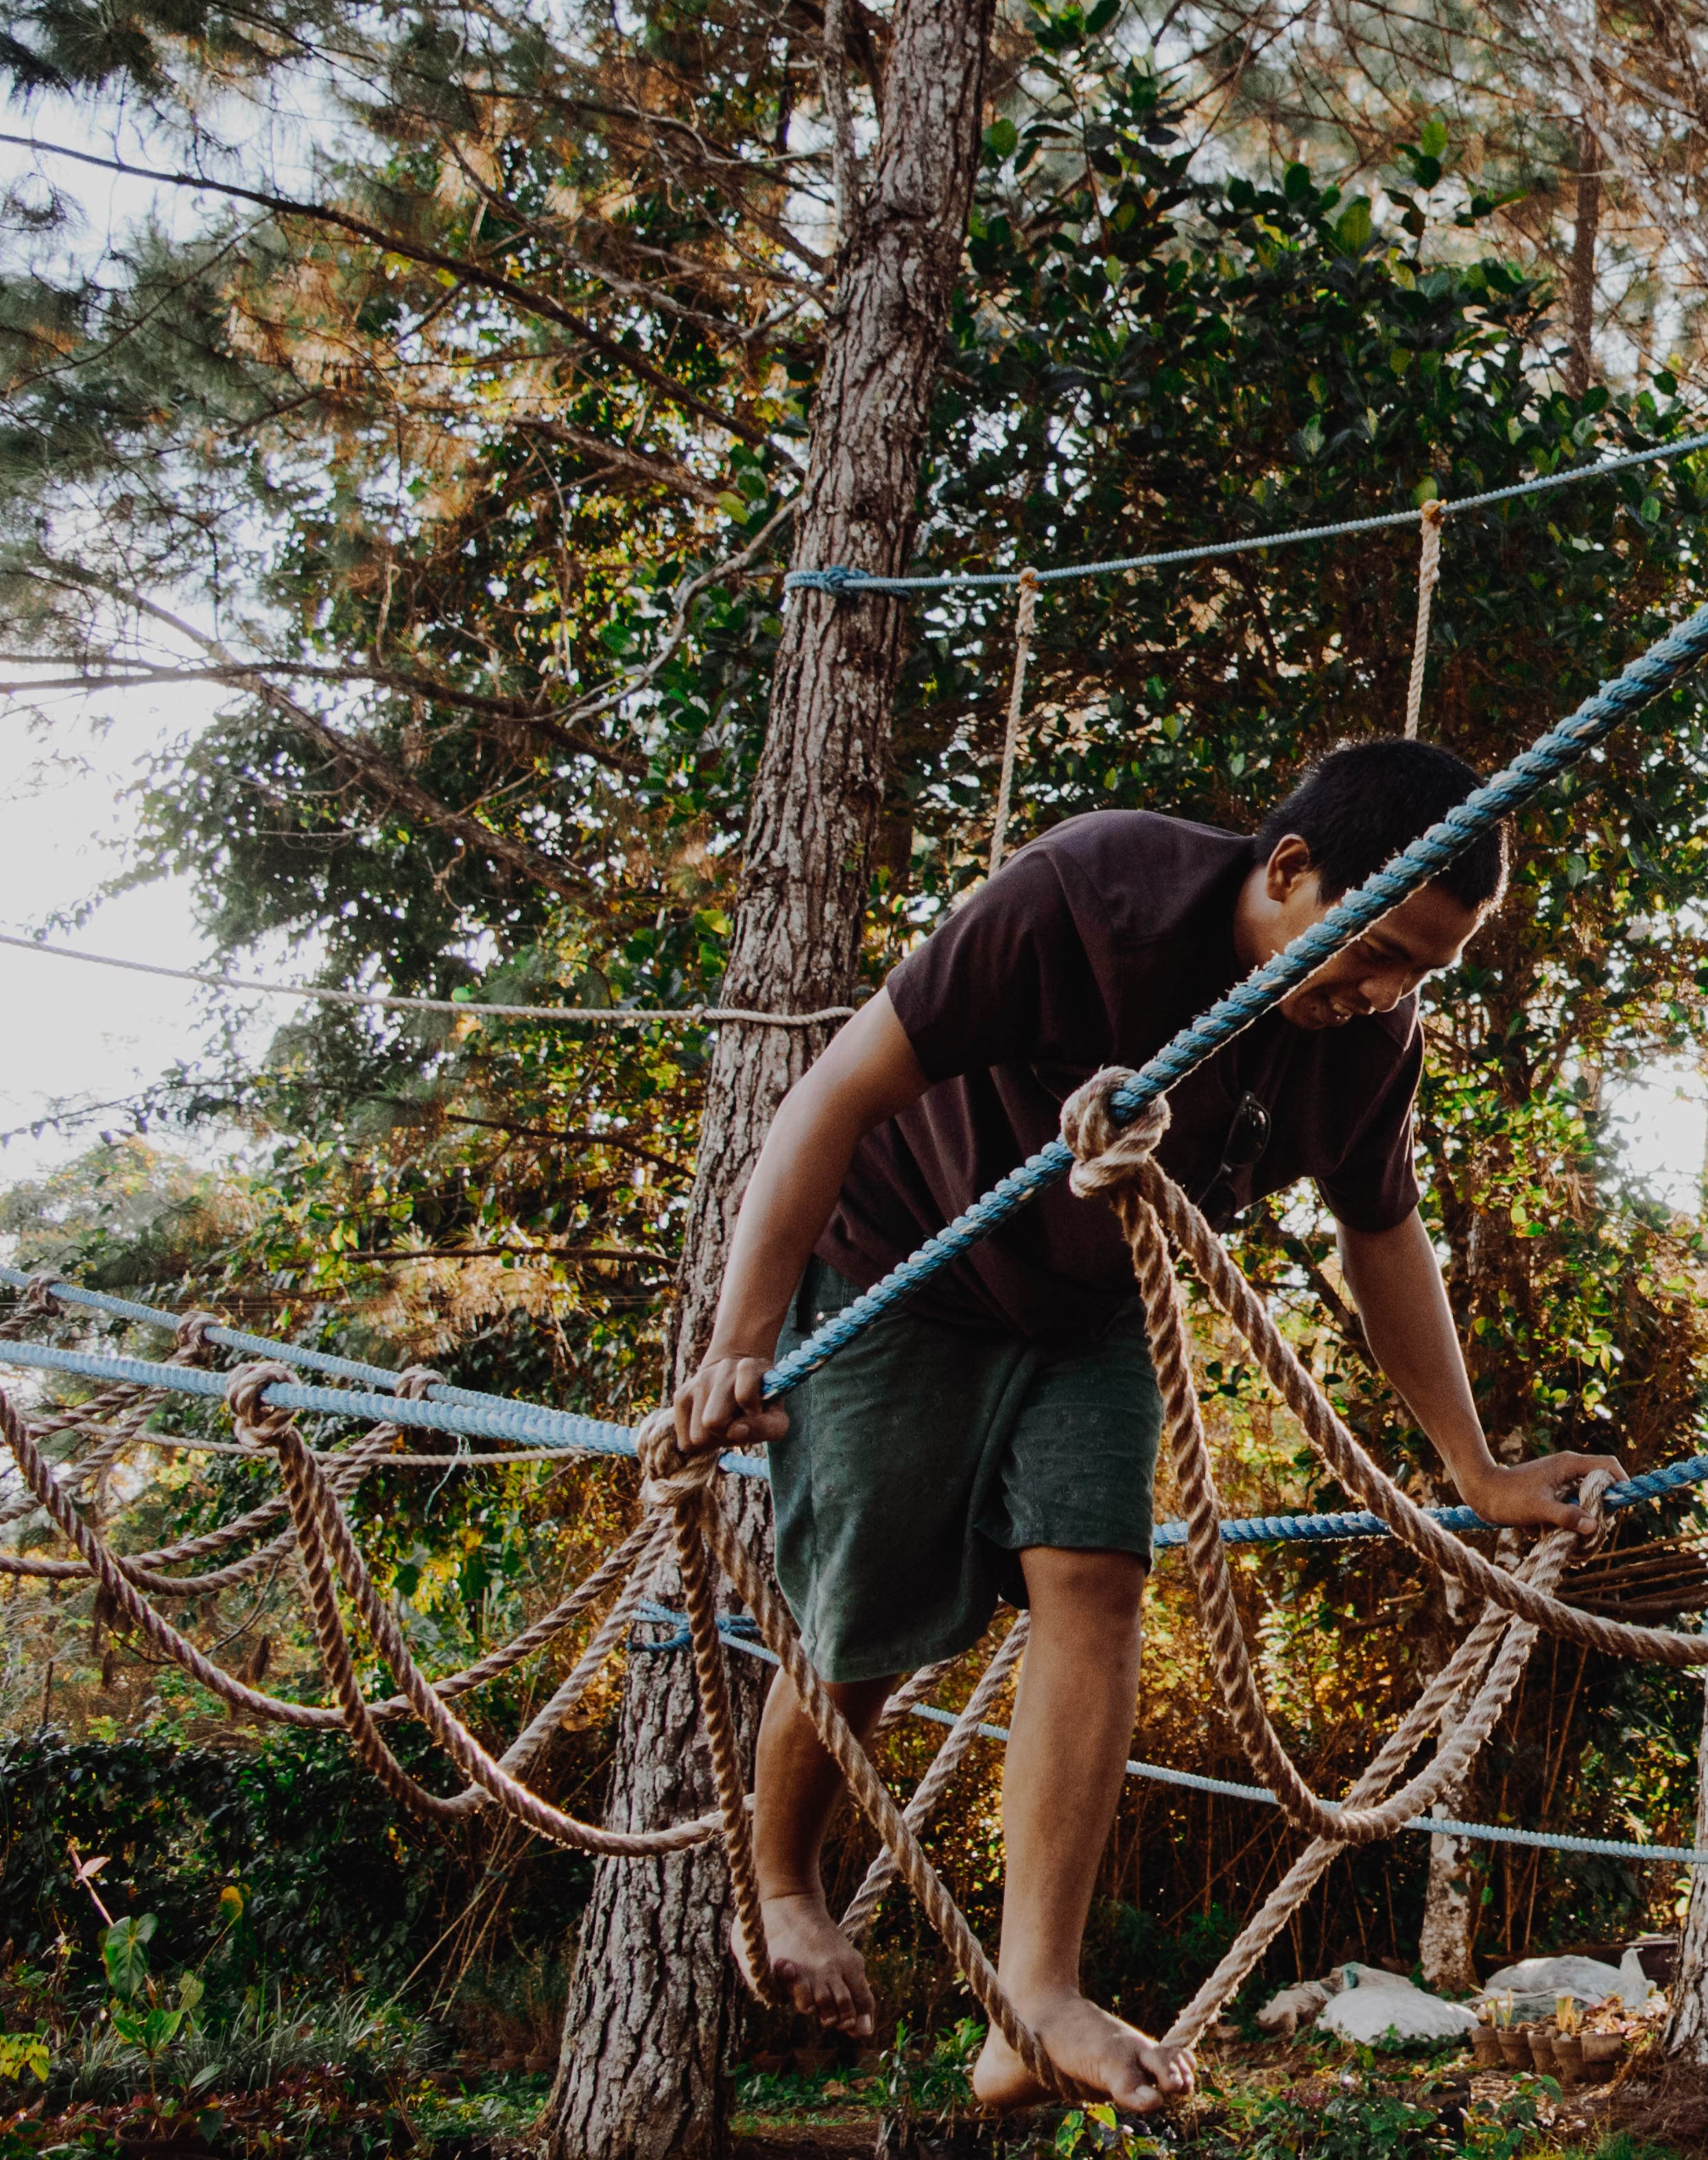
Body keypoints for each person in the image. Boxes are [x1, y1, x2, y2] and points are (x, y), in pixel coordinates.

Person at [665, 737, 1621, 2113]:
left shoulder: (1369, 1041)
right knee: (858, 1613)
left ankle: (1033, 2000)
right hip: (903, 1263)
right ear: (1289, 868)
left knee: (1098, 1582)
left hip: (1088, 1306)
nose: (1381, 992)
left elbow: (1384, 1235)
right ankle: (781, 1884)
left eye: (1422, 968)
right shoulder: (1087, 894)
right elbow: (835, 1089)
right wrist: (741, 1341)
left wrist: (1476, 1468)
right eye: (1376, 947)